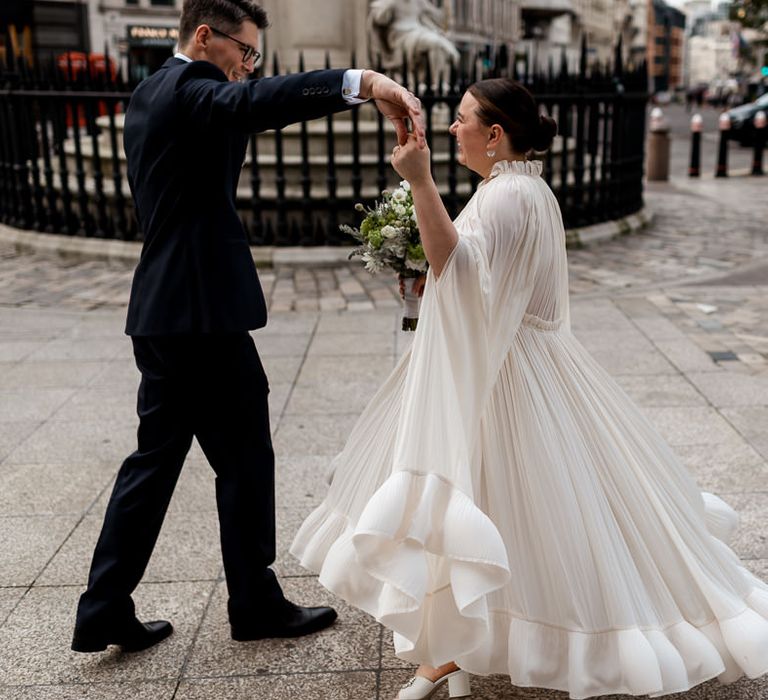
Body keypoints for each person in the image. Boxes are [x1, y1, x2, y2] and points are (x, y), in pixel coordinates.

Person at [291, 78, 768, 699]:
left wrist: (420, 183)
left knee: (501, 501)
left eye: (463, 119)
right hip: (519, 360)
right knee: (492, 502)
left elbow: (461, 276)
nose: (453, 128)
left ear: (495, 134)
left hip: (510, 371)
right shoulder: (520, 186)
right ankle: (452, 648)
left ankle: (458, 650)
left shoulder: (507, 196)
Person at [71, 0, 426, 654]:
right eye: (245, 50)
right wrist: (362, 82)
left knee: (154, 462)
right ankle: (254, 602)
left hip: (163, 309)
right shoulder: (191, 90)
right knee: (242, 456)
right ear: (205, 37)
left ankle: (103, 606)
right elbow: (254, 103)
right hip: (202, 316)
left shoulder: (149, 90)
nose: (250, 65)